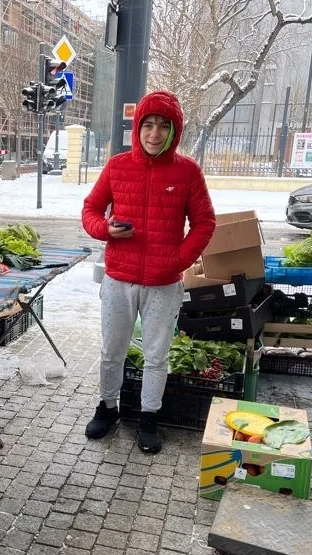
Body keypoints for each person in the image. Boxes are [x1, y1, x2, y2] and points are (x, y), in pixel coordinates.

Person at [81, 90, 216, 454]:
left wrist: (178, 260)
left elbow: (204, 223)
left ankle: (148, 418)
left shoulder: (187, 172)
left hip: (163, 285)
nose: (154, 134)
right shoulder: (117, 166)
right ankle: (108, 408)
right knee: (112, 352)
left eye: (163, 126)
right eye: (148, 125)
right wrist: (105, 229)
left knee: (157, 356)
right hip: (118, 280)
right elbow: (91, 209)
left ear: (175, 132)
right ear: (137, 128)